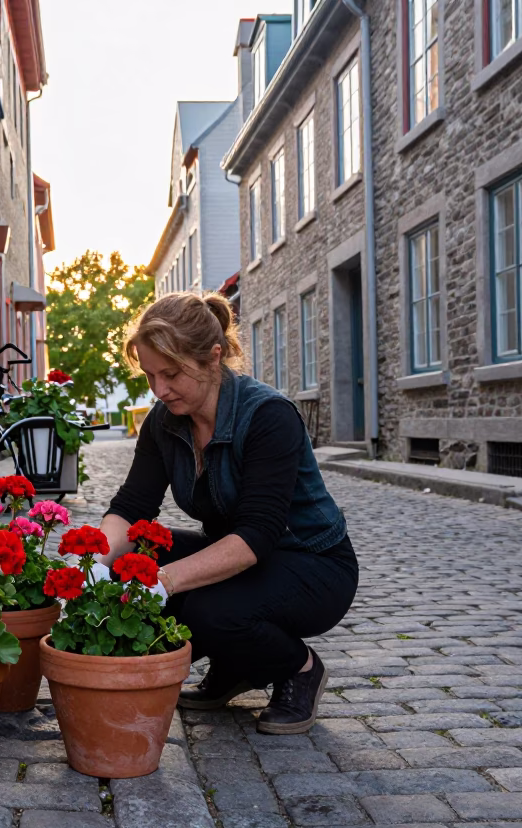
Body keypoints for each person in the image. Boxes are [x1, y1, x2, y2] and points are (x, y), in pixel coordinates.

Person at [95, 291, 358, 734]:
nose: (159, 389)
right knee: (132, 556)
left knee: (209, 611)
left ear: (213, 357)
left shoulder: (268, 416)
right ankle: (238, 665)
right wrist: (95, 564)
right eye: (150, 375)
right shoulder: (164, 421)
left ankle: (299, 669)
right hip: (239, 555)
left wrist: (165, 582)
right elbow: (131, 506)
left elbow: (256, 534)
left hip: (312, 565)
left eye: (172, 373)